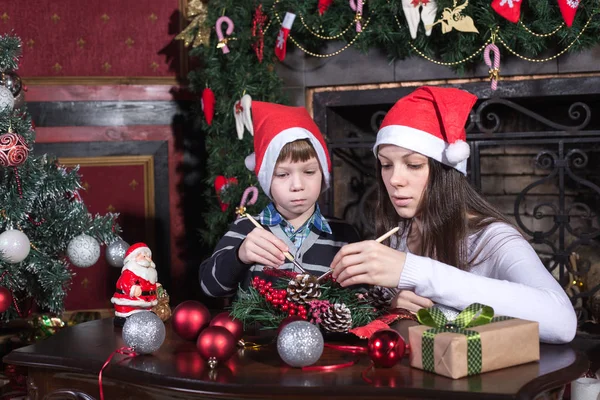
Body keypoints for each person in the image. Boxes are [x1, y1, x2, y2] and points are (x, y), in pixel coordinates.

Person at [329, 86, 577, 344]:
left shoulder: (491, 238)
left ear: (445, 170)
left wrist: (414, 271)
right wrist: (395, 308)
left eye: (413, 165)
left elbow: (562, 322)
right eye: (386, 165)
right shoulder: (398, 236)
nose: (395, 180)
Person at [199, 101, 360, 297]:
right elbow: (210, 287)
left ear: (323, 174)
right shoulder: (246, 229)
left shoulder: (344, 235)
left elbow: (361, 297)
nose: (297, 185)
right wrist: (239, 256)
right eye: (283, 175)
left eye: (309, 171)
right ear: (267, 180)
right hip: (257, 329)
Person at [111, 242, 159, 326]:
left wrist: (155, 287)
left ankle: (146, 314)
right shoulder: (129, 271)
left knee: (148, 310)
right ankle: (125, 317)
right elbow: (125, 283)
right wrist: (132, 289)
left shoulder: (150, 272)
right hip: (129, 302)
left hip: (146, 303)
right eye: (141, 255)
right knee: (128, 310)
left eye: (147, 255)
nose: (145, 257)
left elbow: (149, 284)